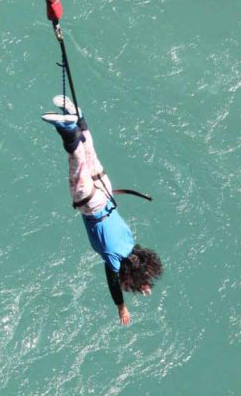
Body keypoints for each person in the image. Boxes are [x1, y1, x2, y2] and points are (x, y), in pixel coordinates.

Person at [43, 96, 163, 325]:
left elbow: (136, 262)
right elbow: (112, 282)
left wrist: (143, 280)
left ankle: (78, 115)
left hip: (106, 192)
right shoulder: (113, 259)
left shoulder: (130, 243)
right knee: (77, 160)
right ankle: (67, 127)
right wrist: (121, 307)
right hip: (91, 204)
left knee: (90, 153)